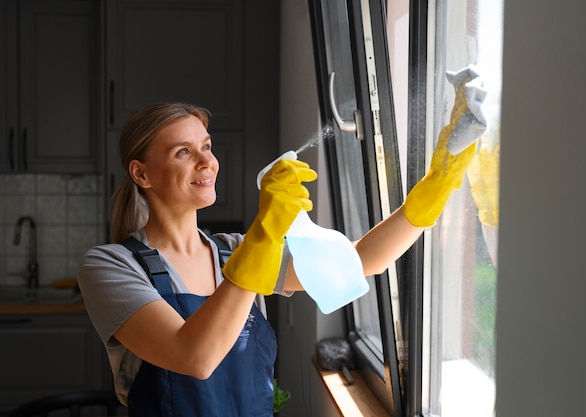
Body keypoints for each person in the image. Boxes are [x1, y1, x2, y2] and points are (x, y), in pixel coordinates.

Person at [77, 71, 480, 417]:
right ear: (141, 174)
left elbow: (361, 260)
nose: (206, 162)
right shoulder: (111, 266)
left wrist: (436, 185)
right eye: (183, 152)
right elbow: (193, 357)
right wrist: (264, 233)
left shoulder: (235, 251)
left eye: (206, 146)